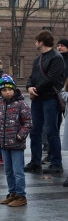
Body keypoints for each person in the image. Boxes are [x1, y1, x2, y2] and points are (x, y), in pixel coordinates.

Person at [25, 30, 65, 174]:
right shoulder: (38, 59)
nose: (35, 43)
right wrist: (29, 87)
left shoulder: (56, 58)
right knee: (34, 131)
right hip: (37, 99)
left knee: (51, 131)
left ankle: (56, 163)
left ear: (41, 42)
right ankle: (35, 162)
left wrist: (35, 90)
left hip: (50, 99)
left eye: (36, 40)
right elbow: (31, 77)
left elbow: (51, 78)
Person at [0, 75, 31, 207]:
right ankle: (12, 192)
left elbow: (28, 123)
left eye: (9, 89)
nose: (7, 92)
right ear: (0, 91)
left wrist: (19, 136)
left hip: (16, 144)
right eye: (4, 90)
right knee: (8, 171)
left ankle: (21, 195)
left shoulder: (21, 104)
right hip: (3, 143)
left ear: (14, 89)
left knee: (18, 171)